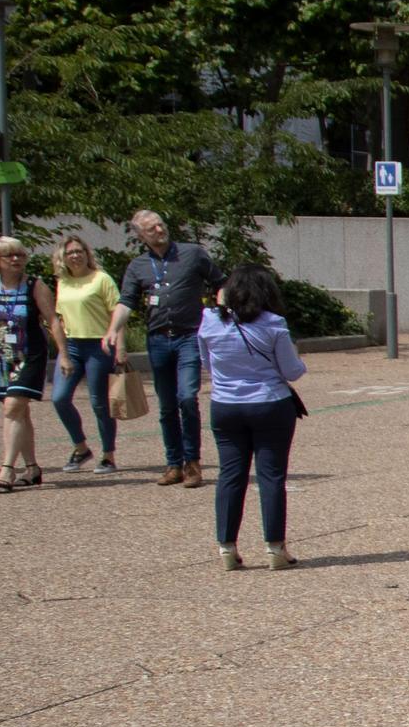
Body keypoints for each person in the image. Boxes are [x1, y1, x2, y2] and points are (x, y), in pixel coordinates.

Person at [196, 264, 307, 570]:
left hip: (225, 405)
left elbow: (206, 363)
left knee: (230, 475)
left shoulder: (209, 322)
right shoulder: (274, 324)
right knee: (271, 475)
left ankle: (227, 547)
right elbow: (291, 371)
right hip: (270, 403)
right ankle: (274, 547)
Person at [107, 209, 219, 486]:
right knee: (167, 405)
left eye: (160, 225)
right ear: (140, 235)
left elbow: (221, 283)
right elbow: (126, 302)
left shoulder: (193, 254)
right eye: (151, 228)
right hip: (158, 339)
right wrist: (113, 328)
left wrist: (224, 314)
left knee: (186, 397)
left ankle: (192, 462)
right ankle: (173, 463)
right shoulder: (138, 266)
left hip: (189, 336)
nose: (159, 230)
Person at [49, 234, 119, 472]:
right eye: (70, 253)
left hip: (98, 345)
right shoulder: (63, 282)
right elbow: (59, 318)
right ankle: (81, 448)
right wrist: (63, 352)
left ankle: (108, 454)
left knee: (99, 403)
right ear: (63, 257)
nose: (75, 256)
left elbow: (117, 315)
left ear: (87, 254)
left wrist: (120, 348)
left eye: (79, 251)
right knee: (59, 398)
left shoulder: (102, 279)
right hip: (71, 346)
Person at [0, 236, 61, 489]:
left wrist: (64, 355)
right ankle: (33, 468)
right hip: (3, 356)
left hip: (30, 355)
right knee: (20, 413)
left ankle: (6, 470)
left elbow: (52, 320)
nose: (16, 259)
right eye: (10, 255)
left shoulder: (35, 285)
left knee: (12, 408)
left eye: (20, 255)